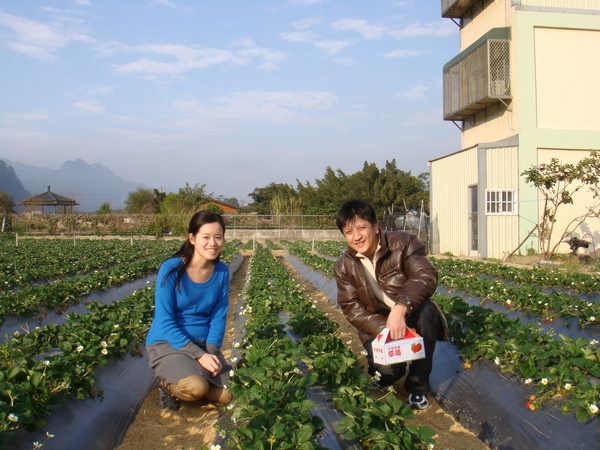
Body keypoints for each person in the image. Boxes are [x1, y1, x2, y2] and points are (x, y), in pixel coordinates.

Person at [334, 200, 447, 410]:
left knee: (428, 312)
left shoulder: (404, 243)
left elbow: (425, 274)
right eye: (349, 232)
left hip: (409, 314)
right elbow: (351, 306)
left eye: (361, 228)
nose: (356, 236)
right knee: (388, 374)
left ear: (375, 227)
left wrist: (400, 308)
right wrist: (386, 329)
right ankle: (387, 372)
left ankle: (417, 387)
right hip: (378, 327)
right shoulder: (344, 265)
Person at [146, 210, 233, 410]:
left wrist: (210, 352)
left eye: (218, 237)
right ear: (192, 238)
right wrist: (198, 356)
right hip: (169, 344)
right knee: (196, 387)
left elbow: (218, 316)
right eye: (206, 237)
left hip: (203, 344)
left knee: (229, 395)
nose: (213, 243)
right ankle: (166, 386)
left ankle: (197, 382)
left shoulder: (221, 271)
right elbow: (164, 321)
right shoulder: (171, 269)